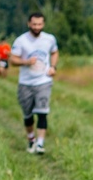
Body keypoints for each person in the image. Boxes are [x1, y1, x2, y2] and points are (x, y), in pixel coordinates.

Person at [10, 12, 59, 155]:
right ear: (29, 24)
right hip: (25, 83)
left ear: (43, 24)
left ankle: (40, 144)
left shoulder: (49, 39)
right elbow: (13, 60)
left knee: (42, 113)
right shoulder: (21, 41)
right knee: (28, 115)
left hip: (43, 81)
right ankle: (31, 139)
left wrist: (53, 67)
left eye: (39, 24)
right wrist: (26, 62)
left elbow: (55, 52)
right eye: (34, 24)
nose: (37, 27)